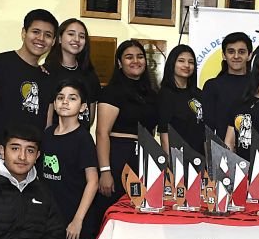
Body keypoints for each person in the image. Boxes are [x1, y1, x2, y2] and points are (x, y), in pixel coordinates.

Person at [24, 80, 99, 239]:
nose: (65, 101)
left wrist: (77, 220)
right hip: (49, 217)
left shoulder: (83, 139)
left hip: (74, 217)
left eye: (72, 97)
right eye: (60, 97)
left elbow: (92, 181)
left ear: (83, 106)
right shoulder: (46, 135)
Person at [0, 9, 58, 181]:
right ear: (23, 33)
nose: (41, 39)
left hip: (27, 170)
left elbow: (46, 127)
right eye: (35, 32)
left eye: (48, 35)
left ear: (53, 41)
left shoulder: (48, 79)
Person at [92, 40, 159, 222]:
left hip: (143, 159)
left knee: (140, 212)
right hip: (118, 156)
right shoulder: (111, 92)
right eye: (129, 57)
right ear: (120, 63)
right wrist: (105, 171)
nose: (135, 61)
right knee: (112, 210)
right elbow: (101, 133)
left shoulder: (152, 94)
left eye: (139, 57)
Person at [42, 18, 101, 128]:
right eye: (71, 34)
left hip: (81, 138)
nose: (77, 39)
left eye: (82, 36)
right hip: (55, 138)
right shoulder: (47, 71)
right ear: (59, 39)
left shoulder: (89, 74)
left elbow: (90, 117)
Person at [202, 32, 253, 138]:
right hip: (220, 151)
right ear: (224, 55)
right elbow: (207, 127)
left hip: (255, 150)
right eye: (231, 52)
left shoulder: (258, 85)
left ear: (249, 55)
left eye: (241, 52)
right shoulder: (212, 86)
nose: (236, 56)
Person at [158, 44, 204, 154]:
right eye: (181, 61)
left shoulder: (199, 94)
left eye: (191, 62)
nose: (187, 65)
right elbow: (164, 135)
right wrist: (170, 165)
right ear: (172, 63)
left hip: (200, 157)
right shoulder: (165, 95)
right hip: (178, 158)